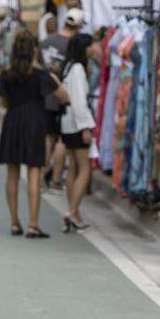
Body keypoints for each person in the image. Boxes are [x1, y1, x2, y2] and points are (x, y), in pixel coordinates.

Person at [0, 31, 69, 238]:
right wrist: (53, 76)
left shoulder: (7, 74)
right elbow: (64, 96)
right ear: (34, 50)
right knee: (34, 173)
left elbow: (2, 101)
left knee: (12, 173)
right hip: (35, 122)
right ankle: (33, 224)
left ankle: (14, 223)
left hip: (12, 121)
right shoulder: (41, 75)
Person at [40, 9, 85, 190]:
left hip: (45, 95)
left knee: (48, 137)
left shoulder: (46, 42)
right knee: (61, 140)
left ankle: (42, 173)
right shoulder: (73, 44)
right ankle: (56, 179)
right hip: (64, 95)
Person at [59, 33, 96, 232]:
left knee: (73, 166)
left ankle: (74, 211)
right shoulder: (78, 69)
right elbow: (80, 101)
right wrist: (86, 127)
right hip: (77, 123)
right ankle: (72, 210)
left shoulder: (68, 67)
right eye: (91, 45)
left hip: (67, 123)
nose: (94, 48)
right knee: (84, 168)